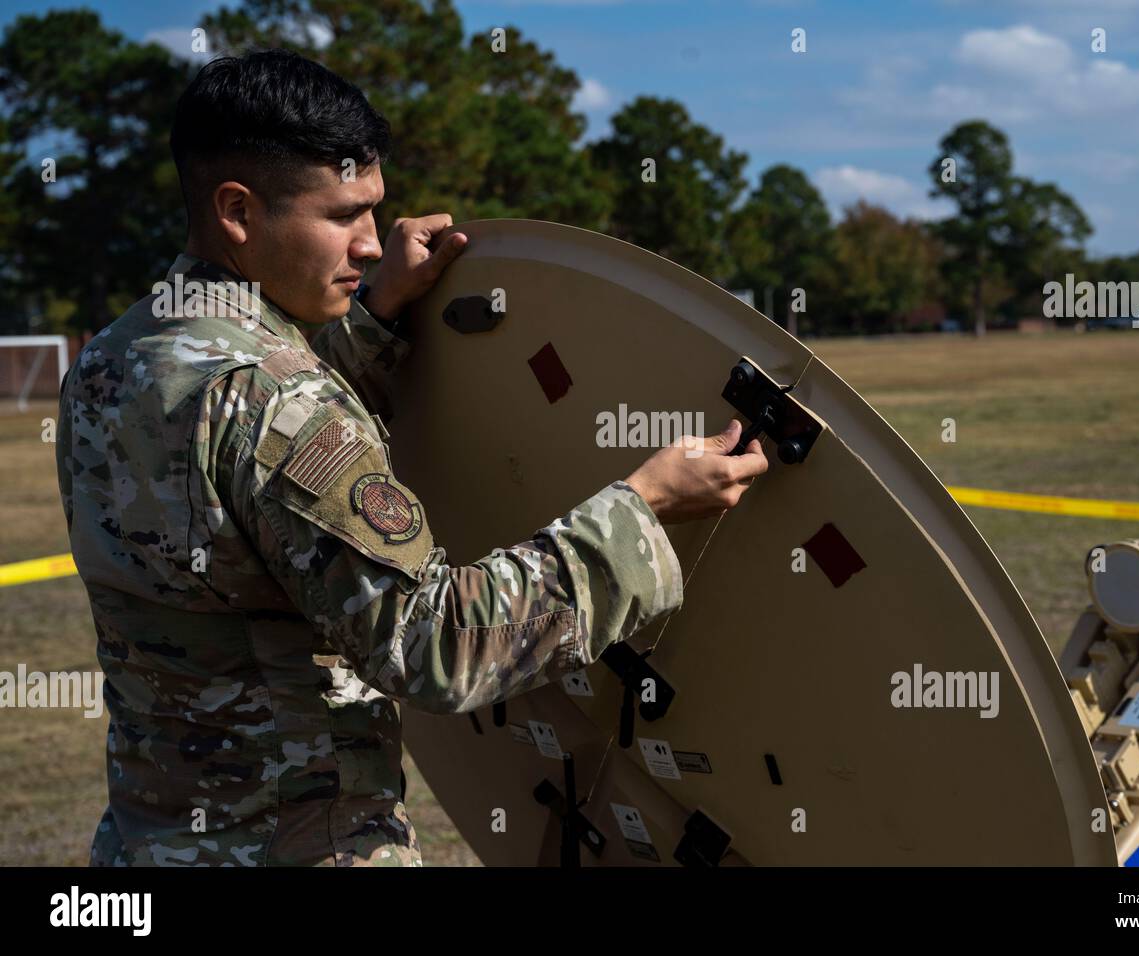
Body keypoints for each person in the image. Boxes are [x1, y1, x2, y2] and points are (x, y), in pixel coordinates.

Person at [55, 49, 768, 867]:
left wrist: (377, 318)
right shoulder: (277, 403)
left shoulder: (112, 363)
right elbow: (437, 645)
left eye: (374, 212)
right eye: (342, 215)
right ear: (237, 211)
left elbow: (243, 482)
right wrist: (641, 511)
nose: (367, 244)